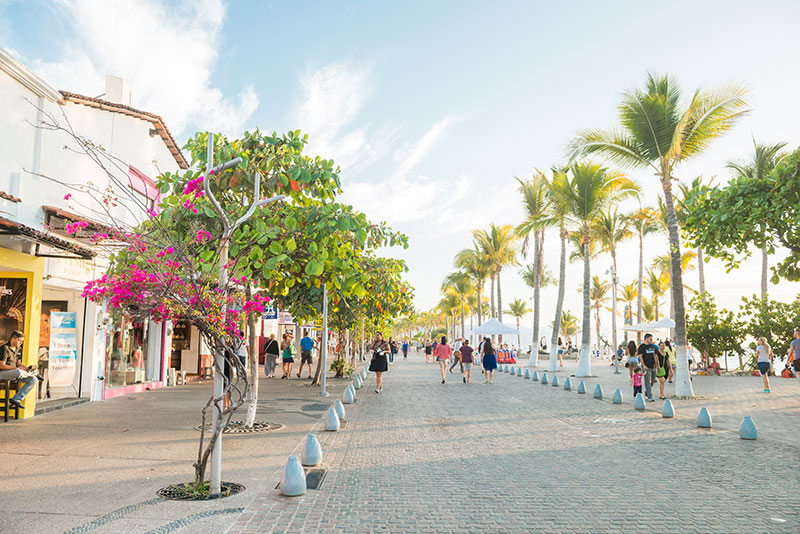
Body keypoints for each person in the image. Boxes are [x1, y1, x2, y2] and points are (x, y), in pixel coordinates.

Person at [0, 331, 42, 409]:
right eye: (19, 340)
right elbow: (2, 366)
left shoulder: (18, 349)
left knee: (33, 380)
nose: (21, 342)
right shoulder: (4, 348)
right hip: (3, 373)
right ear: (13, 339)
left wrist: (25, 368)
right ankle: (34, 373)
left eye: (22, 341)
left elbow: (18, 363)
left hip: (15, 374)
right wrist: (17, 368)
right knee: (19, 372)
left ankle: (16, 399)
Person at [636, 333, 661, 402]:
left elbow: (656, 356)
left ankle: (648, 391)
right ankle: (650, 396)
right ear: (646, 339)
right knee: (647, 381)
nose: (651, 340)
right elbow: (640, 357)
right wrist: (643, 365)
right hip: (646, 367)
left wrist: (658, 365)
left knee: (652, 381)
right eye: (650, 339)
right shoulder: (642, 347)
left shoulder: (652, 347)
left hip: (654, 366)